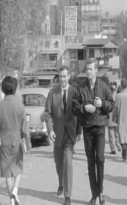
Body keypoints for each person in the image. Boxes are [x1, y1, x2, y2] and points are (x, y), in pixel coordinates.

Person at [72, 58, 114, 205]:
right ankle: (94, 194)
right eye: (87, 69)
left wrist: (102, 104)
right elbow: (74, 107)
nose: (89, 72)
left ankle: (101, 191)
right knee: (90, 162)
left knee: (100, 159)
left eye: (91, 69)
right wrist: (84, 107)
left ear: (96, 70)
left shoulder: (103, 86)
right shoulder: (80, 87)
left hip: (100, 127)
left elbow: (111, 105)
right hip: (88, 128)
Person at [44, 66, 82, 205]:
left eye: (64, 76)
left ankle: (67, 195)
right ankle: (61, 182)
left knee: (68, 163)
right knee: (59, 162)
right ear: (58, 77)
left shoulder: (75, 92)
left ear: (69, 77)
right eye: (60, 77)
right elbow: (47, 113)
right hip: (57, 133)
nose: (62, 79)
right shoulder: (52, 93)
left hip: (70, 133)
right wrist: (50, 130)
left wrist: (79, 131)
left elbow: (79, 113)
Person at [0, 76, 30, 205]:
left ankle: (11, 199)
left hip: (4, 142)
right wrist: (28, 143)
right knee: (19, 169)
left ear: (3, 89)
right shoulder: (20, 106)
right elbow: (24, 128)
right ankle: (15, 189)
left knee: (7, 173)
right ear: (15, 88)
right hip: (17, 142)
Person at [107, 82, 121, 154]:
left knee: (111, 132)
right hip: (116, 115)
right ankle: (118, 144)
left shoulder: (108, 96)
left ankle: (113, 149)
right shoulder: (119, 96)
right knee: (116, 132)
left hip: (110, 115)